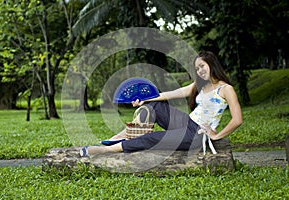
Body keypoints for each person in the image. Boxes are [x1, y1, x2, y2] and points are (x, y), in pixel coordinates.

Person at [80, 51, 243, 156]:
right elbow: (172, 94)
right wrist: (146, 100)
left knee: (152, 138)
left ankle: (106, 150)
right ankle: (125, 135)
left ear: (211, 64)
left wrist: (216, 135)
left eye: (202, 66)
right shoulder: (199, 85)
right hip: (188, 122)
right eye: (197, 68)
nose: (200, 70)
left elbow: (237, 120)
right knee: (155, 106)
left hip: (196, 135)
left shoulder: (226, 89)